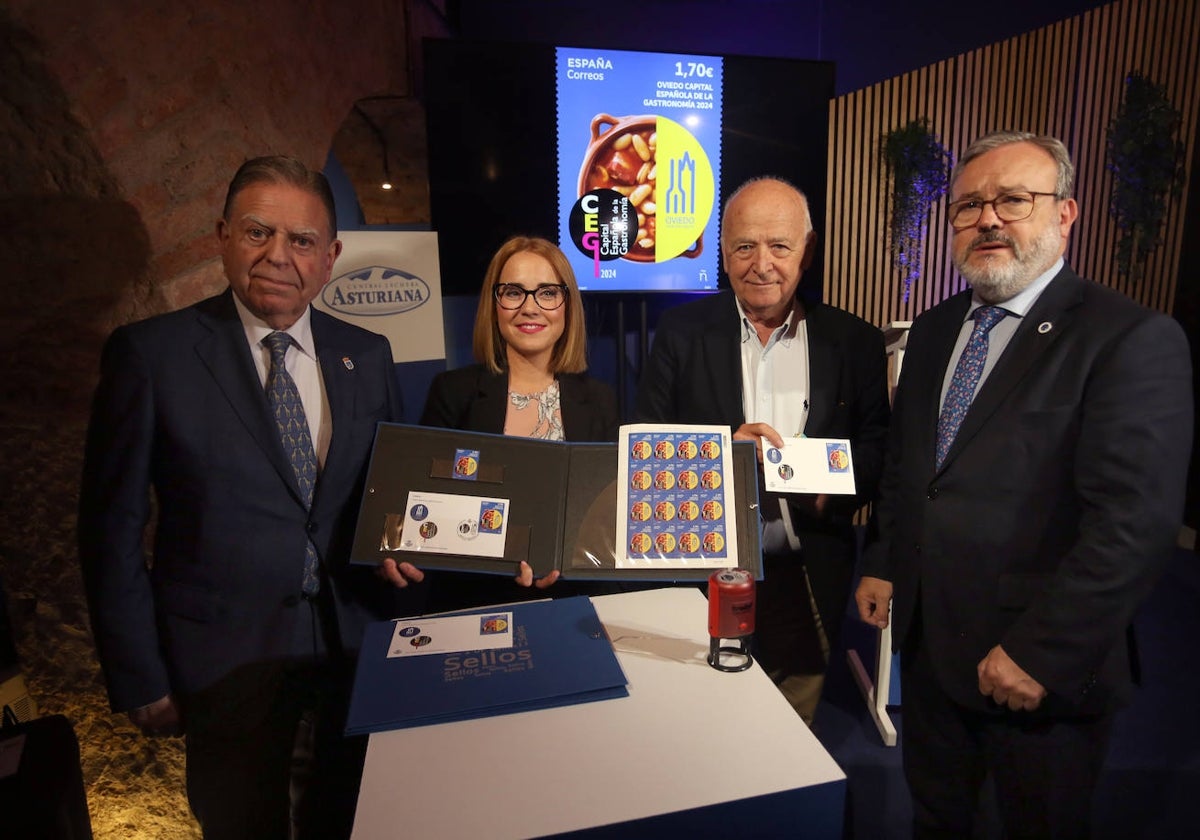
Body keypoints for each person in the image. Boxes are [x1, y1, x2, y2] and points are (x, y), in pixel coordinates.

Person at [854, 131, 1193, 838]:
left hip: (1035, 671)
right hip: (928, 646)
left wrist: (1043, 652)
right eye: (970, 204)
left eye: (1013, 199)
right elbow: (911, 468)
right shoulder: (939, 328)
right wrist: (886, 562)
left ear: (1065, 214)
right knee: (937, 819)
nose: (988, 219)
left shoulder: (1128, 338)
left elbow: (1134, 523)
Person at [78, 155, 426, 839]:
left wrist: (403, 547)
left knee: (354, 819)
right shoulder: (152, 355)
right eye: (258, 232)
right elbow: (108, 529)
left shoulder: (369, 353)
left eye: (301, 241)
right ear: (222, 236)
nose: (278, 256)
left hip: (354, 645)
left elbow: (390, 494)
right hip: (222, 663)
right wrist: (140, 675)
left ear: (330, 258)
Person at [636, 177, 891, 724]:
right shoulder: (681, 333)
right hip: (705, 569)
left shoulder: (855, 341)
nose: (762, 263)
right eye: (744, 246)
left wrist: (824, 493)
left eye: (780, 245)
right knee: (697, 721)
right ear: (722, 255)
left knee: (789, 731)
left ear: (807, 251)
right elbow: (644, 444)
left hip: (810, 569)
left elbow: (879, 454)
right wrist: (723, 452)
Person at [421, 235, 619, 610]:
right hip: (475, 597)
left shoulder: (600, 400)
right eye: (514, 292)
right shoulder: (453, 392)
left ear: (567, 305)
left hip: (576, 598)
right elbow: (432, 507)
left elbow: (605, 514)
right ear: (494, 306)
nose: (530, 308)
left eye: (547, 293)